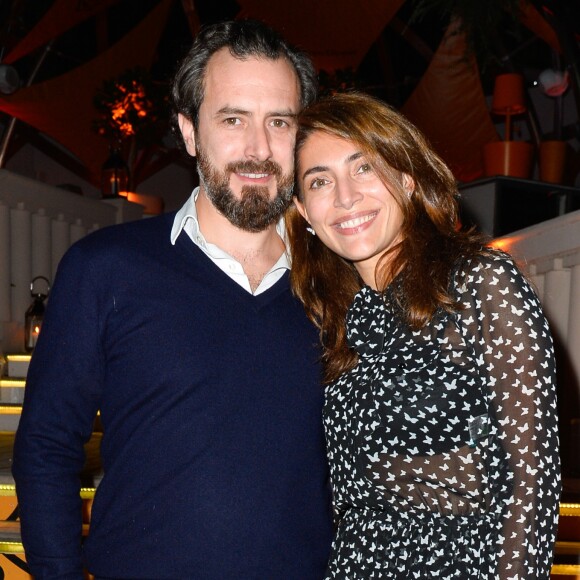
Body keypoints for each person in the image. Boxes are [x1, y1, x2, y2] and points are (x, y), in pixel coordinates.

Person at [12, 20, 333, 579]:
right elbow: (45, 446)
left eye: (279, 122)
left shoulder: (339, 285)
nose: (258, 149)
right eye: (233, 119)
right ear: (189, 132)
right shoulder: (104, 269)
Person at [286, 91, 561, 579]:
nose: (345, 197)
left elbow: (532, 481)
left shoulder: (479, 281)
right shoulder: (328, 318)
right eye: (320, 181)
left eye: (364, 168)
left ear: (408, 179)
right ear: (305, 212)